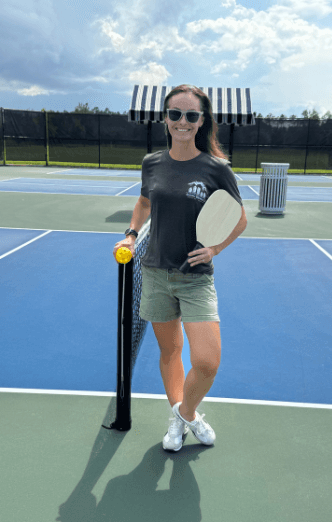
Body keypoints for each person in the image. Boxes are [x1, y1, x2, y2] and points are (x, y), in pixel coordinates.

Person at [113, 84, 247, 452]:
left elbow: (239, 218)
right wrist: (130, 234)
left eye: (191, 115)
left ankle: (183, 414)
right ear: (166, 118)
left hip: (195, 279)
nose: (182, 121)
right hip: (154, 272)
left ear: (202, 121)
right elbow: (143, 203)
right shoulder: (152, 163)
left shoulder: (216, 168)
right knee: (170, 351)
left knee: (206, 362)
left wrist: (215, 248)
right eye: (175, 114)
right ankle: (182, 415)